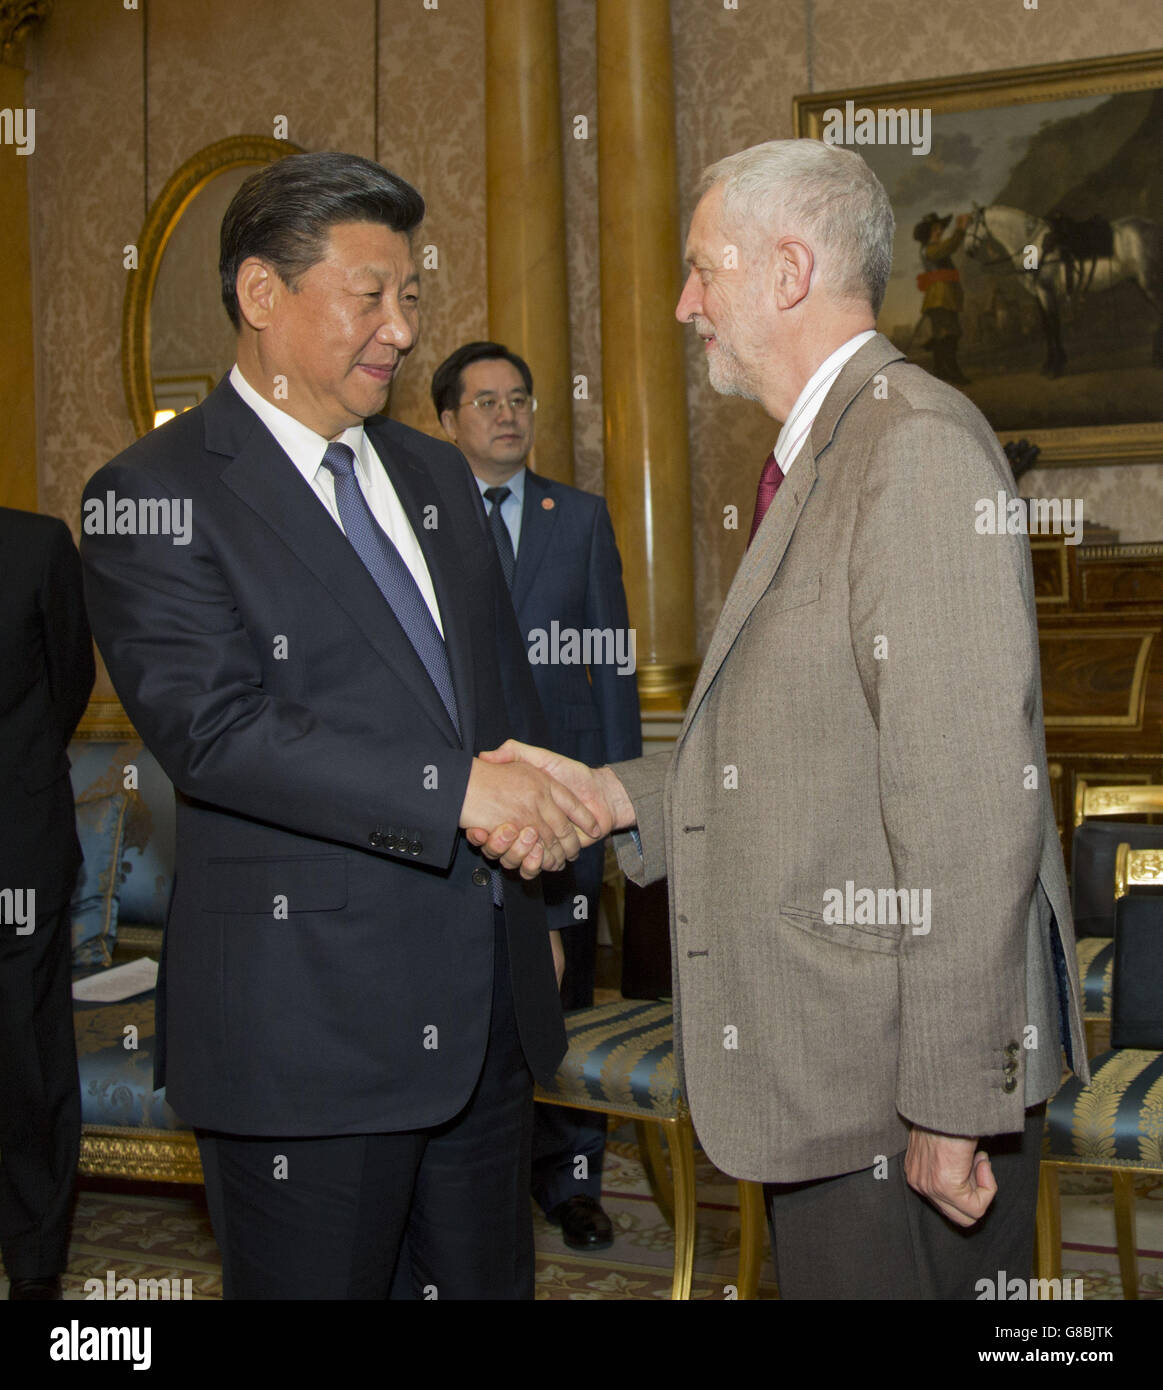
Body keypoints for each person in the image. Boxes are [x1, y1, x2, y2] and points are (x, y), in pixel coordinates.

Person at [468, 139, 1089, 1300]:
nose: (682, 302)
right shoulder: (829, 452)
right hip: (841, 1066)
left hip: (894, 1078)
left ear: (789, 271)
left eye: (705, 269)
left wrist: (952, 1099)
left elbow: (965, 806)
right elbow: (794, 751)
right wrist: (605, 796)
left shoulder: (907, 451)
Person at [80, 152, 607, 1301]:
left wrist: (542, 904)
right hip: (302, 1035)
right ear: (262, 296)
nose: (401, 328)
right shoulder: (152, 493)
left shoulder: (434, 474)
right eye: (367, 294)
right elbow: (215, 730)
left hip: (483, 1022)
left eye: (410, 294)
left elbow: (501, 709)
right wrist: (454, 793)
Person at [433, 341, 642, 1252]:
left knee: (565, 1001)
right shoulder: (420, 519)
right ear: (446, 421)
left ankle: (570, 1181)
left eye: (519, 398)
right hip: (457, 807)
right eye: (485, 401)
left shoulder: (579, 516)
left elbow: (611, 668)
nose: (507, 414)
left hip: (566, 805)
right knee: (473, 997)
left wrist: (620, 798)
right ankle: (471, 1176)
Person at [0, 507, 95, 1300]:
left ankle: (34, 1255)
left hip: (16, 841)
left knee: (24, 1050)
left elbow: (70, 682)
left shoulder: (35, 544)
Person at [914, 210, 970, 384]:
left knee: (942, 335)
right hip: (940, 298)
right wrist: (960, 229)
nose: (939, 231)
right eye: (935, 229)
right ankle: (953, 371)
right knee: (949, 334)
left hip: (945, 298)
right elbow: (949, 246)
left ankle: (940, 371)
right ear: (928, 232)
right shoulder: (930, 250)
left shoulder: (932, 248)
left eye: (940, 228)